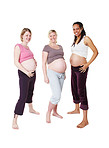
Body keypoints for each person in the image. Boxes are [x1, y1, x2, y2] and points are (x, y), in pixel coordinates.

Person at [67, 22, 98, 128]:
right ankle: (76, 109)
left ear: (81, 28)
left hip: (81, 69)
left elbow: (96, 52)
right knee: (74, 88)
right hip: (73, 68)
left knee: (81, 91)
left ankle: (85, 120)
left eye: (77, 29)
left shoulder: (86, 38)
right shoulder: (75, 39)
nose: (75, 31)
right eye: (73, 29)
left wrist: (86, 65)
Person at [12, 28, 40, 129]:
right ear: (22, 36)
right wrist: (26, 72)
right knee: (22, 96)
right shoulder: (18, 46)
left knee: (30, 92)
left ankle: (31, 109)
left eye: (29, 35)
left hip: (32, 73)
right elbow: (16, 62)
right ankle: (15, 119)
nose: (28, 37)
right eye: (26, 35)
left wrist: (34, 61)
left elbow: (28, 58)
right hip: (24, 73)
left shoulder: (28, 47)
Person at [42, 30, 67, 123]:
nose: (53, 37)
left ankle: (55, 112)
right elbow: (43, 63)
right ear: (49, 37)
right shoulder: (46, 47)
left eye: (54, 35)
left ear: (56, 36)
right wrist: (45, 76)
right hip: (52, 72)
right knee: (56, 95)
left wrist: (65, 71)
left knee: (58, 94)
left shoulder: (60, 46)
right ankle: (48, 112)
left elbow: (62, 58)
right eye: (51, 36)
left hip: (62, 74)